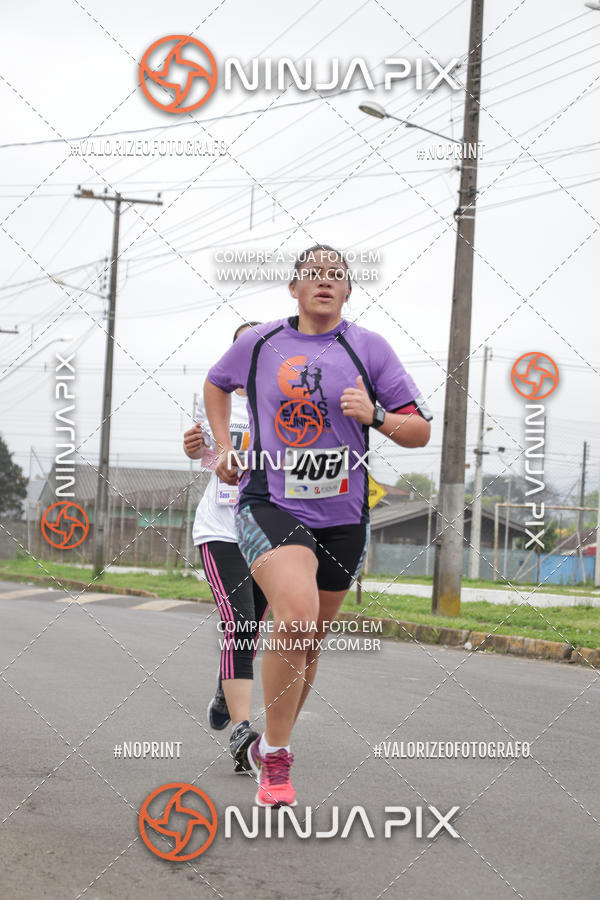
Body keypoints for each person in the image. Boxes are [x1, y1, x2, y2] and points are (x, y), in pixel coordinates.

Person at [204, 246, 432, 806]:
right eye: (314, 274)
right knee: (297, 615)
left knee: (309, 642)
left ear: (349, 292)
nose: (325, 282)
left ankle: (268, 745)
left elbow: (420, 430)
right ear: (294, 288)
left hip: (344, 516)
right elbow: (216, 383)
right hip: (269, 501)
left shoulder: (369, 348)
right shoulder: (258, 342)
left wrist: (376, 416)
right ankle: (277, 762)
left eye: (337, 276)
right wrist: (220, 450)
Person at [183, 321, 268, 773]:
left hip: (269, 532)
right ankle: (242, 732)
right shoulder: (214, 398)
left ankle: (224, 687)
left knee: (253, 628)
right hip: (221, 530)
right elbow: (205, 457)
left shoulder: (282, 406)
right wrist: (193, 445)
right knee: (239, 620)